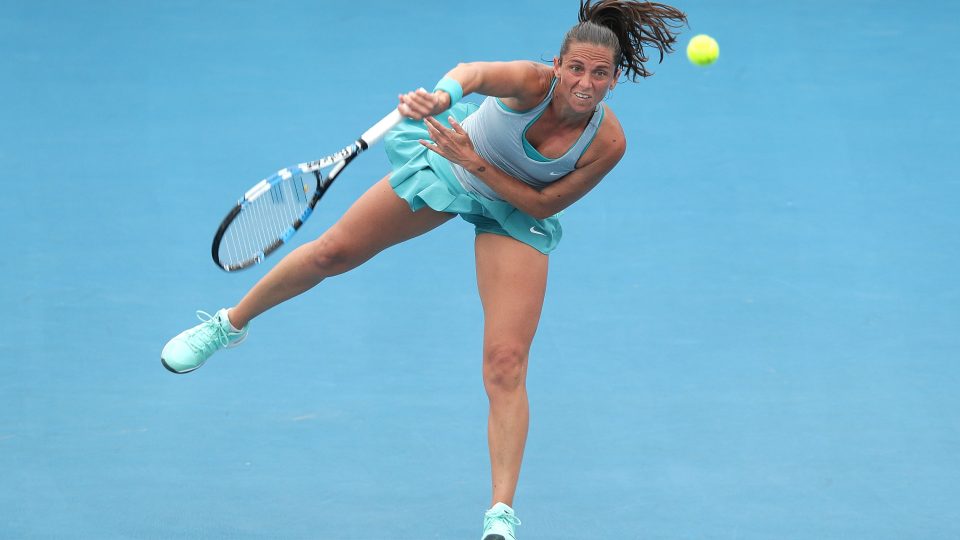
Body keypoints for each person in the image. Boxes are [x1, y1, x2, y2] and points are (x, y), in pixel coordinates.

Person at [160, 1, 686, 538]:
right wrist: (443, 97)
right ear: (557, 65)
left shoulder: (608, 142)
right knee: (332, 252)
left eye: (600, 73)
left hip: (510, 204)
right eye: (576, 68)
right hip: (449, 163)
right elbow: (474, 74)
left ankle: (500, 513)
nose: (585, 81)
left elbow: (543, 204)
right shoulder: (531, 83)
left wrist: (475, 161)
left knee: (506, 362)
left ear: (615, 79)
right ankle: (227, 325)